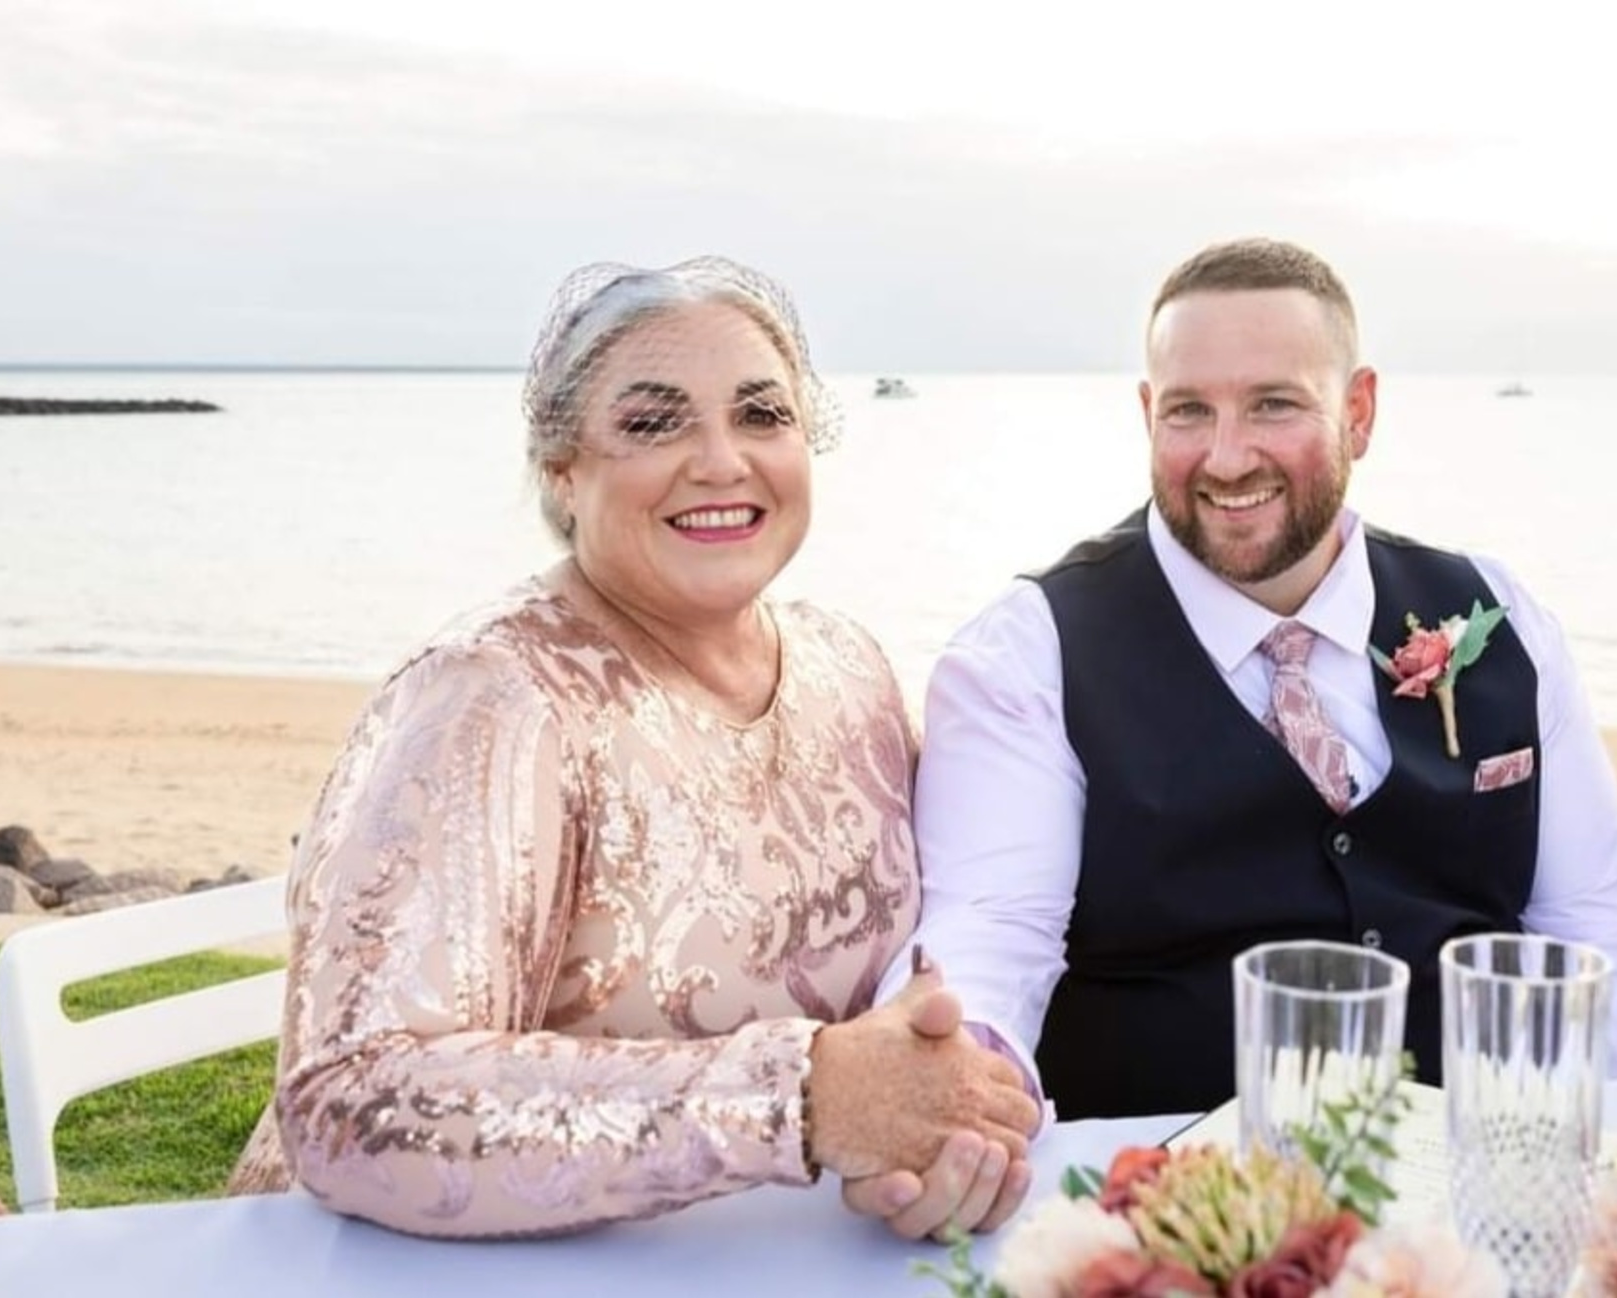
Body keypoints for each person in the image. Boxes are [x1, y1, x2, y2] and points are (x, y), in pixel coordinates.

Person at [225, 256, 1038, 1238]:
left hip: (775, 1256)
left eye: (761, 415)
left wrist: (937, 1117)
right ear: (562, 472)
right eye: (654, 422)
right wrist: (799, 1096)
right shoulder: (492, 697)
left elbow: (917, 977)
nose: (720, 460)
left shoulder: (846, 665)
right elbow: (353, 1097)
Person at [887, 237, 1617, 1121]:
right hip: (1166, 1207)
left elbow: (1599, 928)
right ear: (1148, 413)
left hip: (1471, 1177)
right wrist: (952, 1089)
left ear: (1360, 412)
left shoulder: (1498, 613)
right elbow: (993, 934)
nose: (1227, 458)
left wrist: (1612, 1163)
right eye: (1189, 411)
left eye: (1273, 405)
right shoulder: (1027, 654)